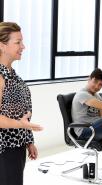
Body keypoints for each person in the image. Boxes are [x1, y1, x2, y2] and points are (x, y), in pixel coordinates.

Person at [0, 22, 43, 185]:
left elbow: (21, 112)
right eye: (17, 42)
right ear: (2, 46)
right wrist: (21, 125)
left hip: (17, 146)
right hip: (4, 148)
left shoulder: (13, 75)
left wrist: (28, 141)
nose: (23, 46)